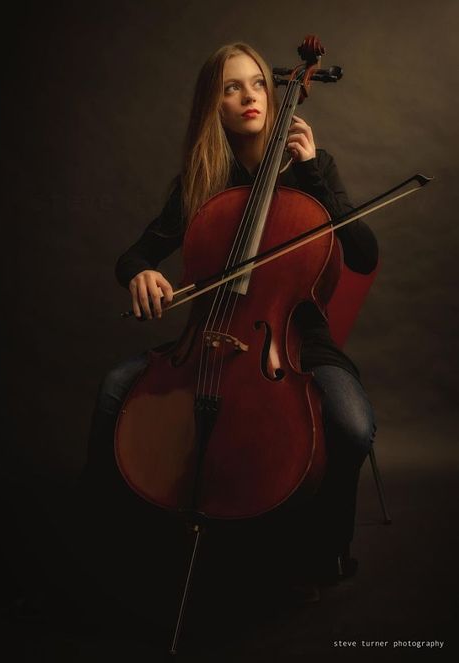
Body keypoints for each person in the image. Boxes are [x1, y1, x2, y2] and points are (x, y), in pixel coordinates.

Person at [86, 42, 378, 591]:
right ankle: (102, 542)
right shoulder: (201, 181)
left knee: (352, 427)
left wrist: (312, 173)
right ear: (212, 106)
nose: (250, 96)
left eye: (259, 83)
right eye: (232, 87)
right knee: (113, 388)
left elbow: (363, 254)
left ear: (275, 92)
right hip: (209, 337)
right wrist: (139, 276)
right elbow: (136, 255)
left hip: (297, 344)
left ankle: (325, 550)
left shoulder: (312, 168)